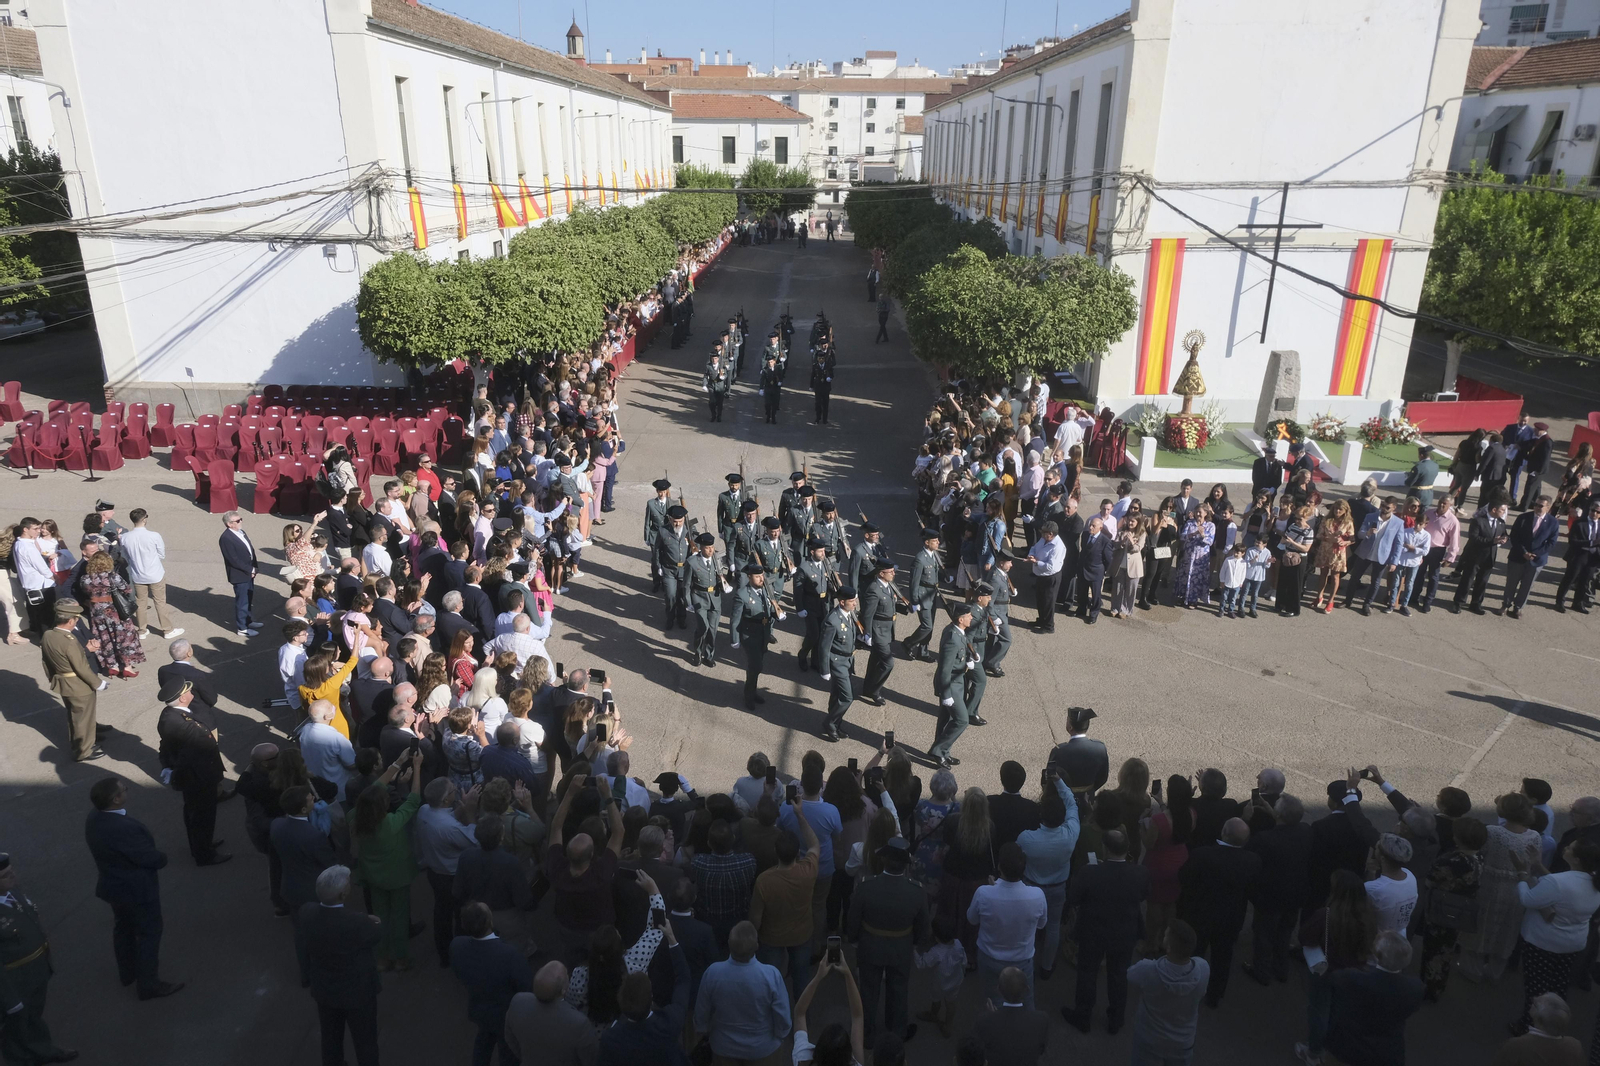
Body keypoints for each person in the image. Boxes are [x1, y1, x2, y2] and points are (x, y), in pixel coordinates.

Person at [84, 776, 181, 1002]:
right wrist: (162, 858)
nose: (127, 791)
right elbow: (147, 857)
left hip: (114, 887)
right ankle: (149, 985)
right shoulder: (123, 827)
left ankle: (128, 973)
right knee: (149, 933)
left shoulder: (95, 817)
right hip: (136, 890)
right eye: (124, 789)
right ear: (116, 799)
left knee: (124, 928)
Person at [1507, 838, 1600, 1034]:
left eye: (1570, 848)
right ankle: (1555, 1022)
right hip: (1573, 943)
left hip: (1543, 942)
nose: (1565, 847)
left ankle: (1530, 1026)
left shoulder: (1558, 882)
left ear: (1576, 859)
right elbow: (1561, 888)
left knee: (1536, 988)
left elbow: (1527, 899)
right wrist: (1538, 865)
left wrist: (1522, 874)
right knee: (1558, 984)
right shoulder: (1592, 881)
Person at [1061, 828, 1149, 1034]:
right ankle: (1116, 1020)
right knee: (1119, 975)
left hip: (1093, 932)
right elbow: (1144, 895)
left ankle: (1083, 1016)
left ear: (1105, 849)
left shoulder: (1089, 872)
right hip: (1124, 932)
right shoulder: (1140, 873)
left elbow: (1074, 898)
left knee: (1087, 973)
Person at [847, 835, 929, 1050]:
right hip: (901, 947)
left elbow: (853, 919)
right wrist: (914, 944)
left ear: (884, 860)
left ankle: (865, 1034)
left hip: (870, 946)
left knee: (868, 990)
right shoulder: (917, 891)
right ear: (905, 864)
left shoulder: (866, 886)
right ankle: (897, 1033)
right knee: (899, 990)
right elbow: (923, 927)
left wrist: (854, 939)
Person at [295, 866, 382, 1066]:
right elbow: (376, 933)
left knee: (330, 1039)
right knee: (366, 1043)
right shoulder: (356, 922)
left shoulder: (307, 912)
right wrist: (374, 921)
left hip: (325, 990)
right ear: (343, 893)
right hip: (357, 994)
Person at [351, 748, 425, 970]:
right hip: (397, 876)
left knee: (379, 915)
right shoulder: (391, 823)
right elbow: (413, 799)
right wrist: (417, 767)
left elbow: (371, 791)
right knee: (400, 917)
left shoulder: (354, 817)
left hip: (372, 876)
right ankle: (400, 957)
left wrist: (398, 762)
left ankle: (382, 958)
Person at [0, 853, 78, 1064]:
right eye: (6, 875)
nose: (13, 876)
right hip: (14, 981)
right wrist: (10, 1000)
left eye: (11, 871)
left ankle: (42, 1050)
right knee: (14, 1026)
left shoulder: (12, 893)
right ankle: (21, 1059)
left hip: (35, 971)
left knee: (33, 1015)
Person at [1461, 792, 1543, 982]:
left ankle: (1472, 970)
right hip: (1517, 888)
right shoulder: (1534, 836)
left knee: (1479, 927)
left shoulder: (1492, 832)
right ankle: (1495, 971)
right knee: (1507, 930)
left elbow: (1480, 854)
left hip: (1489, 886)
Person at [1178, 818, 1260, 1008]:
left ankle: (1190, 990)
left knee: (1194, 953)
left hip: (1199, 915)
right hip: (1230, 918)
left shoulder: (1202, 855)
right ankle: (1215, 995)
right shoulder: (1252, 861)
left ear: (1223, 832)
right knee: (1223, 957)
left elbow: (1184, 878)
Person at [693, 920, 792, 1064]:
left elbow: (701, 1012)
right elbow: (782, 1017)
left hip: (723, 1047)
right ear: (756, 946)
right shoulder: (771, 975)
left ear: (729, 943)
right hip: (763, 1049)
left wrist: (703, 1031)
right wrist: (779, 1035)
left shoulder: (713, 973)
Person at [749, 795, 820, 996]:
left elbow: (755, 917)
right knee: (802, 979)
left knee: (769, 981)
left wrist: (753, 937)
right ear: (798, 853)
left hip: (771, 938)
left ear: (776, 852)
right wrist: (799, 815)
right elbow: (814, 844)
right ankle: (803, 1020)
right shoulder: (809, 870)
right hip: (802, 935)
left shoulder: (764, 880)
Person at [156, 676, 230, 866]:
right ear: (182, 698)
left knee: (194, 813)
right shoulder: (184, 725)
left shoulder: (169, 715)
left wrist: (167, 766)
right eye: (188, 692)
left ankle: (200, 845)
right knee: (202, 816)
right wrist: (172, 767)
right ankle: (204, 854)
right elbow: (196, 751)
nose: (191, 693)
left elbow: (166, 746)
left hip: (192, 776)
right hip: (199, 778)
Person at [1323, 930, 1424, 1066]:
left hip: (1348, 1049)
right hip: (1387, 1054)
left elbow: (1333, 979)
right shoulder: (1416, 988)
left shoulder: (1353, 979)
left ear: (1378, 956)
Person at [451, 902, 534, 1066]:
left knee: (483, 1042)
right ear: (490, 921)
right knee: (508, 1052)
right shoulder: (508, 954)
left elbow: (458, 972)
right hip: (506, 1015)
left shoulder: (457, 945)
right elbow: (527, 987)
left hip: (479, 1008)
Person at [967, 842, 1047, 1011]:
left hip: (990, 959)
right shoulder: (1038, 895)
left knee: (993, 1000)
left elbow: (972, 919)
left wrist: (992, 888)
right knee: (1027, 999)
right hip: (1023, 960)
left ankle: (996, 1031)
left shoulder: (984, 893)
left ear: (999, 866)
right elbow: (1042, 924)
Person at [1419, 815, 1486, 1003]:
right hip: (1461, 909)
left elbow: (1430, 881)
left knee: (1433, 950)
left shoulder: (1451, 860)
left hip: (1442, 908)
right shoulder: (1479, 856)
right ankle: (1438, 985)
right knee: (1447, 949)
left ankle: (1429, 988)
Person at [1126, 919, 1208, 1066]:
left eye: (1165, 935)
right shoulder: (1203, 969)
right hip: (1183, 1043)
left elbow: (1130, 975)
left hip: (1149, 1040)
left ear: (1168, 947)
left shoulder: (1148, 970)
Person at [40, 599, 104, 761]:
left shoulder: (48, 635)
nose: (77, 621)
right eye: (75, 619)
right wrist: (98, 683)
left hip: (63, 682)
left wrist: (52, 678)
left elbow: (45, 662)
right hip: (78, 685)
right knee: (82, 718)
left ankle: (82, 743)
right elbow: (81, 666)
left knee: (75, 717)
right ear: (69, 621)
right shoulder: (70, 642)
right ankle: (84, 750)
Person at [504, 962, 598, 1066]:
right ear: (563, 990)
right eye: (567, 974)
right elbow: (590, 1059)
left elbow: (510, 1038)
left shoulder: (518, 1001)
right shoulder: (579, 1023)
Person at [271, 783, 341, 913]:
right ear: (303, 809)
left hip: (290, 889)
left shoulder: (276, 825)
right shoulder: (314, 836)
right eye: (310, 799)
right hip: (313, 892)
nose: (314, 799)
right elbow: (330, 863)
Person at [117, 508, 182, 639]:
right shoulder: (154, 536)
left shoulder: (125, 538)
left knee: (140, 602)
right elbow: (161, 554)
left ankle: (142, 630)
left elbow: (125, 556)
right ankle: (167, 630)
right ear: (144, 519)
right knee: (160, 602)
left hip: (138, 575)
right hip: (155, 574)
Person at [927, 602, 976, 769]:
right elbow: (945, 669)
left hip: (958, 681)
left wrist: (968, 659)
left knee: (945, 719)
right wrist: (946, 694)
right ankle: (938, 750)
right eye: (969, 615)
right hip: (951, 684)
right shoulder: (952, 638)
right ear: (960, 619)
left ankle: (944, 752)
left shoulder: (957, 631)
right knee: (962, 720)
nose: (971, 617)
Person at [1501, 495, 1558, 618]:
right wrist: (1524, 552)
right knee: (1511, 583)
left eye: (1540, 506)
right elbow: (1514, 537)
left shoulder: (1553, 523)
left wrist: (1535, 554)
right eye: (1536, 504)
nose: (1537, 507)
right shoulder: (1523, 518)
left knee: (1527, 585)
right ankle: (1505, 605)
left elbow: (1551, 543)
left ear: (1548, 507)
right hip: (1518, 556)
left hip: (1537, 560)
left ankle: (1518, 608)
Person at [1493, 993, 1584, 1066]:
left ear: (1539, 1018)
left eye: (1535, 1003)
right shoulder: (1575, 1047)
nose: (1533, 1000)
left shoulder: (1516, 1046)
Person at [1452, 501, 1510, 614]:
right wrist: (1492, 541)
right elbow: (1474, 538)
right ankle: (1458, 602)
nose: (1504, 513)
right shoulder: (1478, 521)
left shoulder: (1501, 522)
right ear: (1494, 510)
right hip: (1475, 557)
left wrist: (1505, 539)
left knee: (1482, 582)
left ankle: (1476, 604)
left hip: (1489, 558)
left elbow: (1505, 534)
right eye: (1502, 510)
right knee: (1467, 580)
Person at [219, 511, 263, 637]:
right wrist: (250, 570)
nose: (240, 522)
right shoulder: (226, 538)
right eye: (237, 521)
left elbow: (250, 551)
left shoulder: (241, 532)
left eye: (240, 519)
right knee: (242, 601)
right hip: (240, 575)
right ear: (229, 524)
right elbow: (233, 560)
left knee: (249, 598)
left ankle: (248, 621)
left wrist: (254, 567)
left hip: (249, 572)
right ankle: (242, 628)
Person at [1553, 497, 1600, 613]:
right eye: (1593, 510)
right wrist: (1590, 543)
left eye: (1598, 512)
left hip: (1593, 558)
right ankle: (1559, 602)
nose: (1594, 513)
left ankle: (1578, 603)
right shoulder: (1579, 523)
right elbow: (1572, 541)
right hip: (1579, 555)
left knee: (1585, 581)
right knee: (1569, 579)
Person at [1025, 521, 1064, 633]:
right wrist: (1031, 554)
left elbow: (1051, 567)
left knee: (1048, 602)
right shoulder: (1044, 539)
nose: (1042, 534)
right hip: (1041, 575)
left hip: (1051, 577)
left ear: (1051, 534)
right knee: (1040, 599)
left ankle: (1048, 626)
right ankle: (1041, 620)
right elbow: (1035, 547)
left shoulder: (1057, 547)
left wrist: (1036, 562)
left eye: (1044, 533)